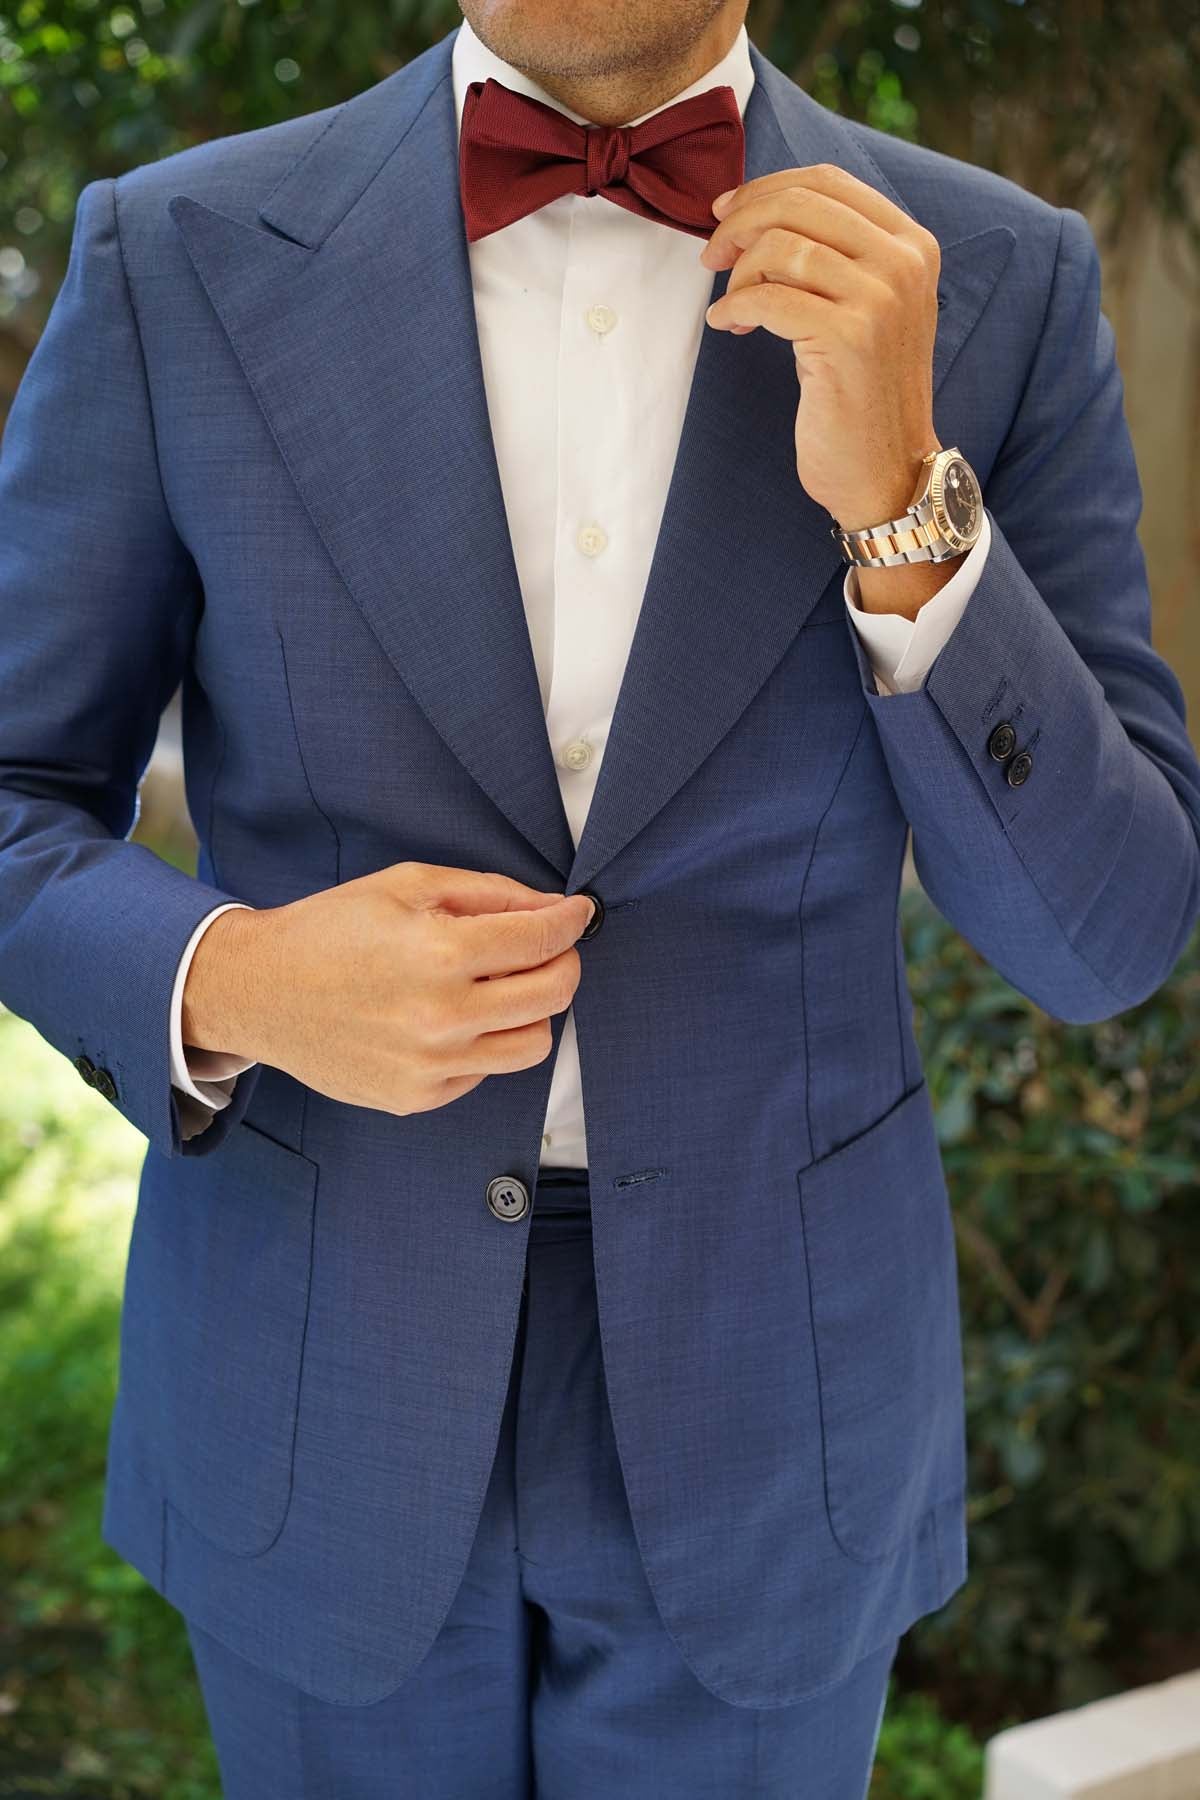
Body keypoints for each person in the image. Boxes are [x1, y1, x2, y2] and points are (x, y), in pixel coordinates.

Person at [2, 1, 1198, 1793]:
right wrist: (234, 977)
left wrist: (903, 506)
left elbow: (1103, 937)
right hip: (318, 1385)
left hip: (771, 1398)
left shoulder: (998, 283)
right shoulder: (174, 256)